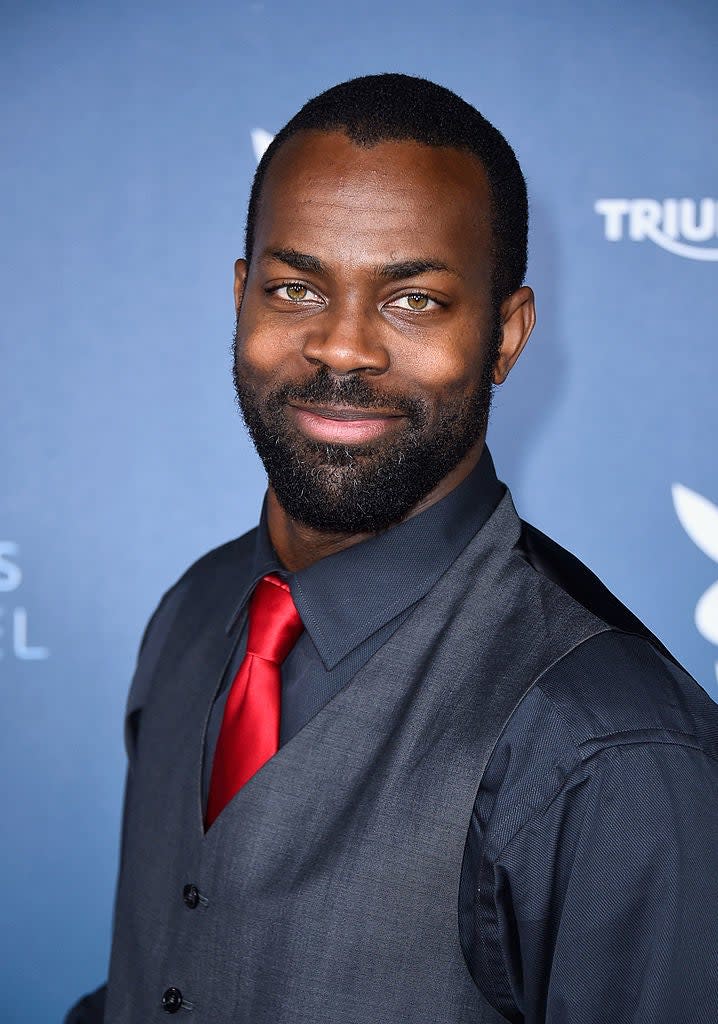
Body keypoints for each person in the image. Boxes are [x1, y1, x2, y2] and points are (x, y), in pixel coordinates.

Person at [67, 74, 718, 1024]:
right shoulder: (195, 611)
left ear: (506, 335)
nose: (341, 348)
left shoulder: (611, 747)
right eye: (296, 289)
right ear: (240, 297)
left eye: (413, 301)